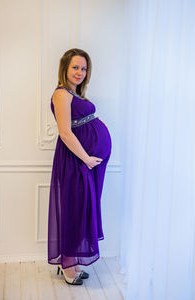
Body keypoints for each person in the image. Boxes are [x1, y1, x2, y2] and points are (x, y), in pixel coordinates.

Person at [48, 48, 112, 285]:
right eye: (75, 67)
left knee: (81, 208)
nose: (80, 72)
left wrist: (95, 122)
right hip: (76, 160)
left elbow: (78, 122)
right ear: (64, 67)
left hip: (86, 162)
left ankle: (72, 260)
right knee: (74, 208)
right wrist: (86, 158)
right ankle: (67, 263)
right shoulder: (61, 94)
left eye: (84, 68)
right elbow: (65, 132)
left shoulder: (75, 94)